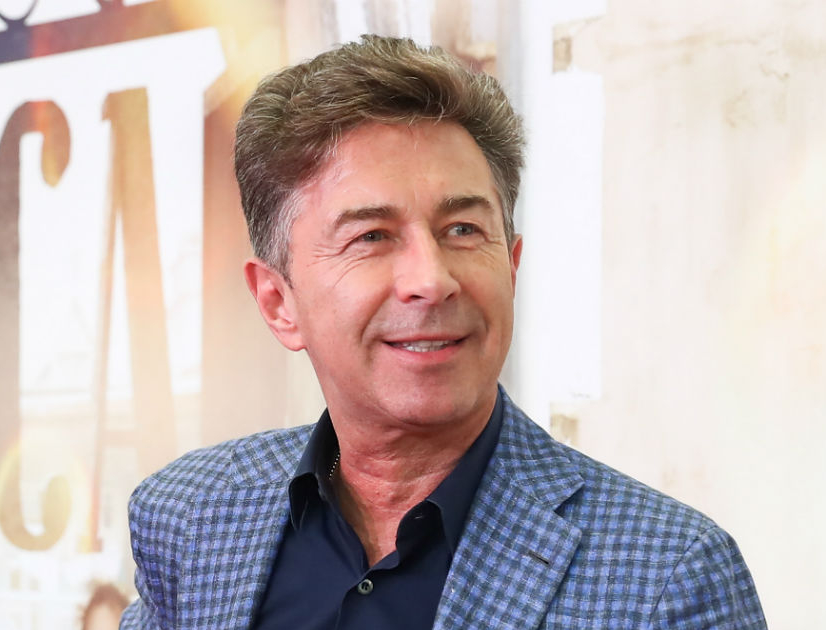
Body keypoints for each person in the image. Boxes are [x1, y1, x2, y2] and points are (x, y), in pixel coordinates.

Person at [121, 35, 767, 629]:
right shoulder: (188, 519)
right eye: (371, 237)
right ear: (278, 302)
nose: (431, 281)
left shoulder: (665, 577)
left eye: (462, 230)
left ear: (511, 266)